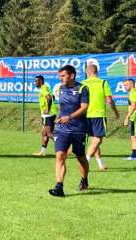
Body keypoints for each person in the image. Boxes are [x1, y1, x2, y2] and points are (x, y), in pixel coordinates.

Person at [48, 65, 90, 197]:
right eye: (59, 76)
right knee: (60, 156)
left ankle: (84, 179)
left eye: (63, 76)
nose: (60, 78)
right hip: (62, 129)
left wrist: (70, 117)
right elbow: (62, 106)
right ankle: (59, 186)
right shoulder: (60, 88)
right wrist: (58, 118)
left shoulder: (83, 88)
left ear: (72, 75)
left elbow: (85, 107)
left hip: (78, 129)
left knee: (81, 157)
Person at [82, 64, 119, 171]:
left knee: (94, 140)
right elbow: (109, 100)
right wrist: (115, 111)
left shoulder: (83, 84)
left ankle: (100, 164)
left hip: (85, 115)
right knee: (98, 140)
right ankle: (86, 160)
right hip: (98, 114)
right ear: (97, 71)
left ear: (87, 72)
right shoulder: (103, 82)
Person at [33, 75, 58, 156]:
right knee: (44, 133)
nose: (35, 83)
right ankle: (42, 152)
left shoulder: (43, 88)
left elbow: (49, 98)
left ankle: (64, 146)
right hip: (48, 114)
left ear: (40, 81)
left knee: (49, 133)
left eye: (36, 81)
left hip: (48, 114)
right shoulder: (46, 87)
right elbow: (53, 96)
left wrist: (48, 109)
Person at [123, 78, 136, 160]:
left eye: (126, 85)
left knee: (134, 136)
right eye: (124, 85)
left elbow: (134, 106)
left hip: (134, 117)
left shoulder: (134, 93)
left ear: (131, 84)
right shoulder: (131, 93)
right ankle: (134, 155)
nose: (124, 87)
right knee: (133, 136)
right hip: (132, 118)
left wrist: (127, 118)